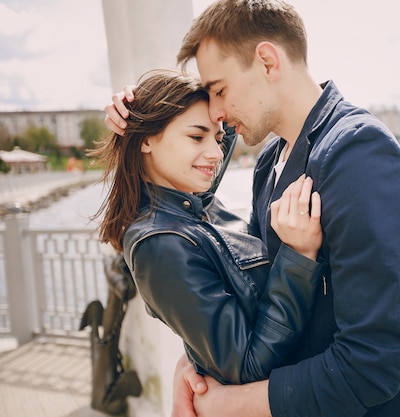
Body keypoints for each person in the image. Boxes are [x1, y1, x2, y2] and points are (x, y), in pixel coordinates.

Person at [105, 1, 400, 416]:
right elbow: (253, 292)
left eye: (219, 90)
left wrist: (231, 405)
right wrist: (136, 119)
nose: (216, 112)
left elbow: (374, 362)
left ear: (267, 62)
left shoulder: (361, 154)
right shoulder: (269, 161)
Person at [92, 68, 327, 385]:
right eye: (196, 137)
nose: (216, 153)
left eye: (216, 139)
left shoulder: (191, 202)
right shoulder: (160, 243)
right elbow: (246, 364)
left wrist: (137, 102)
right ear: (146, 139)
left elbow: (223, 129)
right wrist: (298, 257)